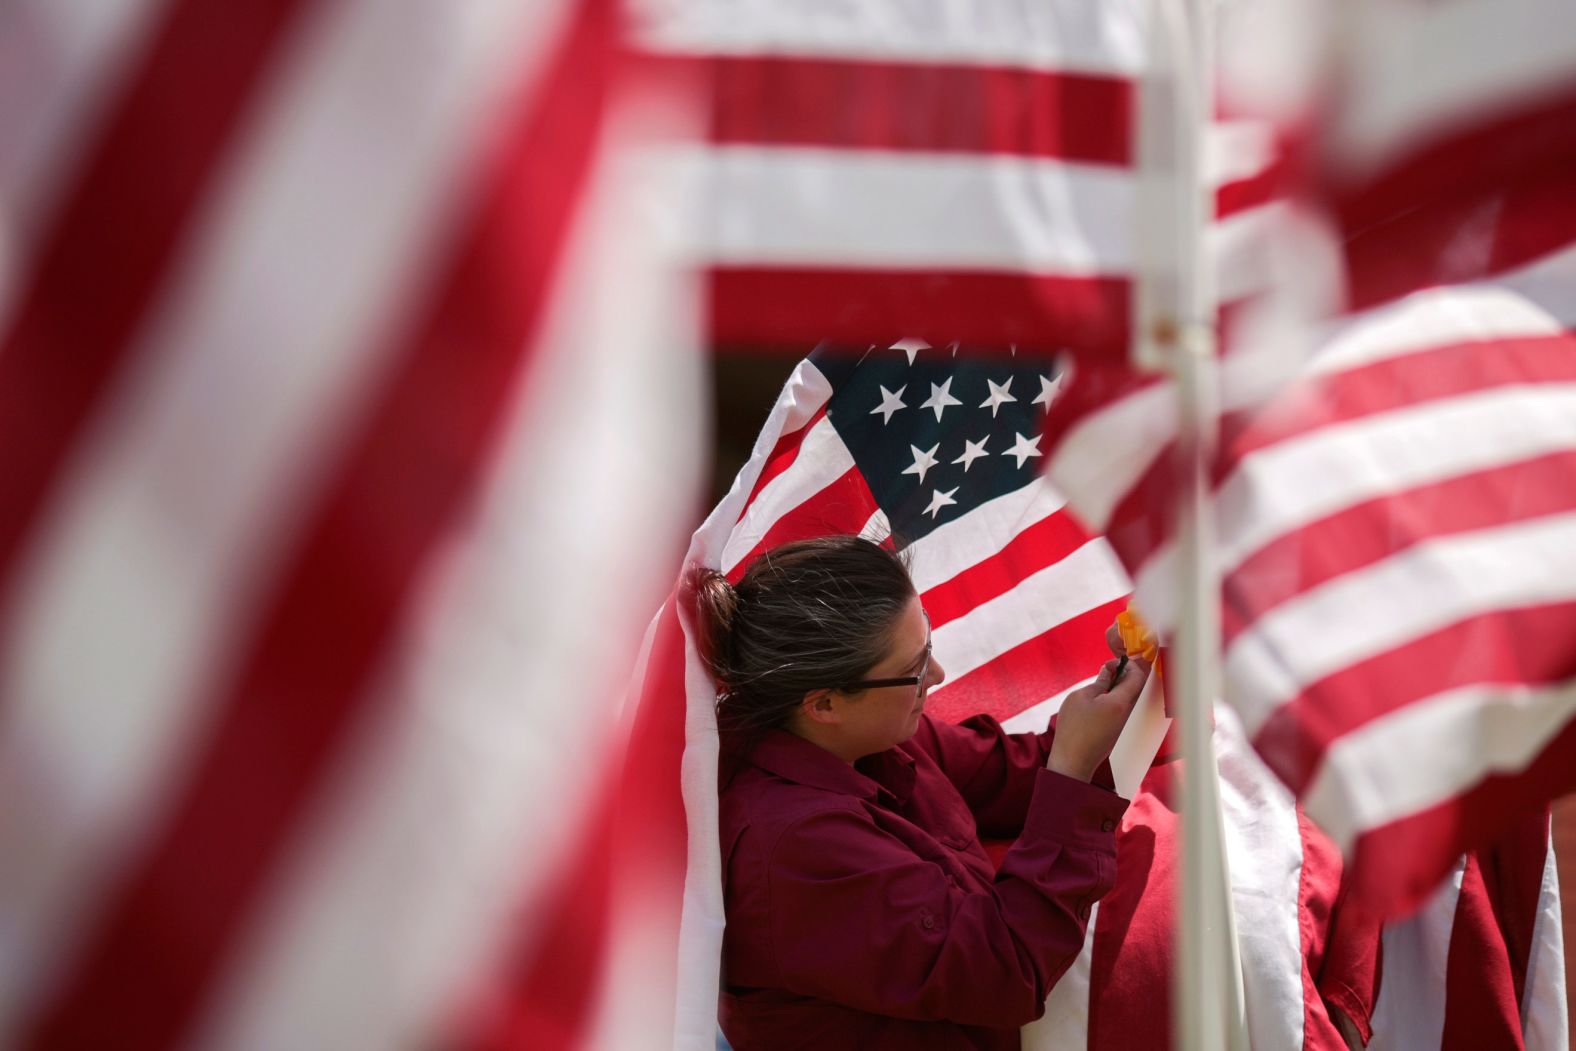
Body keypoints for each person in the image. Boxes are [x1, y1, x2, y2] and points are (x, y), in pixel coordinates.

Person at [691, 534, 1152, 1050]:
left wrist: (1138, 675)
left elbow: (1015, 776)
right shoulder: (795, 849)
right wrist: (1070, 773)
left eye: (927, 644)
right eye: (913, 670)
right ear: (823, 703)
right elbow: (1005, 970)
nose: (937, 675)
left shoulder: (857, 734)